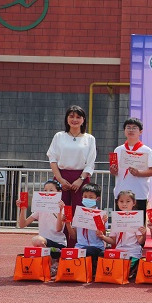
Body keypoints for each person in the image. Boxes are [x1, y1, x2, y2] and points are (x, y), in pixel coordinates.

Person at [46, 105, 96, 244]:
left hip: (81, 178)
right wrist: (60, 179)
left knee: (79, 211)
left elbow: (90, 162)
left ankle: (78, 245)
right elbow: (52, 158)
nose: (75, 120)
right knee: (60, 210)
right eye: (71, 116)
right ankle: (59, 244)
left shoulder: (89, 138)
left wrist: (81, 179)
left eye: (78, 117)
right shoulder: (59, 136)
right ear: (66, 119)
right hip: (61, 177)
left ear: (83, 120)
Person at [15, 179, 67, 277]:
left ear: (59, 192)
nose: (47, 193)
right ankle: (51, 264)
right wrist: (23, 208)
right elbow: (22, 224)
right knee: (36, 245)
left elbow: (58, 229)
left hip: (58, 245)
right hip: (44, 244)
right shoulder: (40, 209)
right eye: (45, 190)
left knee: (37, 240)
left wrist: (60, 211)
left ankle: (52, 265)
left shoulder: (63, 210)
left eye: (51, 190)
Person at [109, 118, 152, 220]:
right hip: (121, 194)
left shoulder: (146, 150)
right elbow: (115, 171)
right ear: (124, 131)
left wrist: (139, 173)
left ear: (140, 132)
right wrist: (113, 171)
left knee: (138, 225)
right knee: (121, 224)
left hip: (139, 193)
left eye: (134, 128)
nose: (131, 130)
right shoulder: (118, 150)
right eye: (128, 127)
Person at [63, 182, 110, 279]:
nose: (87, 199)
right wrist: (67, 223)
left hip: (96, 247)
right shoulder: (79, 214)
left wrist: (102, 225)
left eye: (91, 197)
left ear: (97, 198)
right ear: (82, 197)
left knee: (87, 252)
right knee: (67, 257)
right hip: (79, 247)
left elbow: (103, 234)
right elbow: (74, 236)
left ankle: (92, 268)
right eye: (85, 196)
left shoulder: (101, 215)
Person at [103, 190, 147, 279]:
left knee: (124, 270)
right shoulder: (116, 220)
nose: (124, 204)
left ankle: (136, 266)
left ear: (134, 203)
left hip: (132, 252)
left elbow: (140, 241)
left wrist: (144, 235)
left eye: (128, 201)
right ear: (117, 203)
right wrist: (102, 236)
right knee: (103, 258)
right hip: (118, 251)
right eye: (121, 201)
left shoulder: (136, 220)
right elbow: (113, 241)